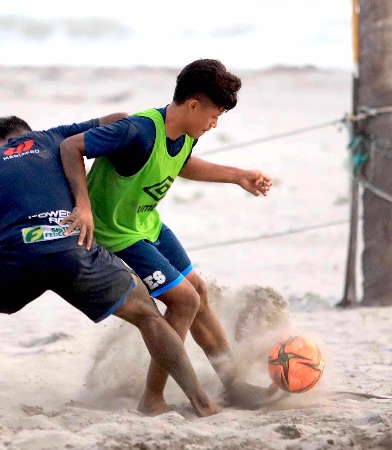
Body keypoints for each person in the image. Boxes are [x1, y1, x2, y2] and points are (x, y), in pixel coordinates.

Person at [0, 114, 220, 417]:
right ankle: (201, 404)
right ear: (27, 132)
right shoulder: (54, 137)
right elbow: (118, 118)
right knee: (148, 314)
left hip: (18, 256)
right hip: (75, 248)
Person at [58, 59, 278, 416]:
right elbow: (71, 147)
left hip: (147, 225)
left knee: (199, 292)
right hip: (116, 233)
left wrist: (239, 175)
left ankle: (233, 386)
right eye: (214, 114)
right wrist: (82, 205)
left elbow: (183, 163)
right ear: (193, 105)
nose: (214, 124)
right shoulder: (138, 131)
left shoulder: (184, 134)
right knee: (184, 301)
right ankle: (152, 398)